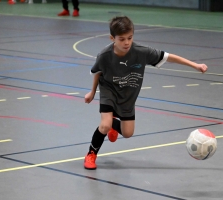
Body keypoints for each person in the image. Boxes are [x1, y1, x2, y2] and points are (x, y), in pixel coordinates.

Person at [83, 16, 208, 170]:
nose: (126, 42)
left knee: (128, 133)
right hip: (109, 90)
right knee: (104, 125)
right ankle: (91, 154)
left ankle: (115, 126)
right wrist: (92, 92)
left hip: (128, 96)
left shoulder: (141, 52)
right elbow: (98, 72)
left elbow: (169, 57)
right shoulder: (104, 55)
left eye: (129, 38)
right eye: (121, 39)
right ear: (112, 38)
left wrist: (195, 65)